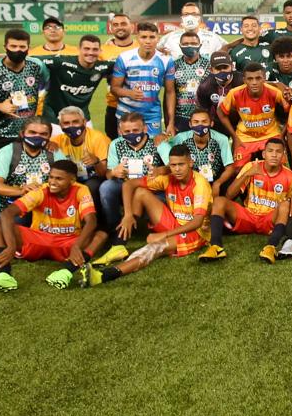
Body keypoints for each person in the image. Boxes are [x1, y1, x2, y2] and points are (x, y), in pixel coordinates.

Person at [89, 145, 211, 284]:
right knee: (140, 192)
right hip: (174, 224)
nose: (176, 169)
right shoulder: (168, 179)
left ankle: (104, 275)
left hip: (195, 232)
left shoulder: (200, 184)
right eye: (173, 165)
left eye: (181, 164)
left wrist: (164, 235)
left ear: (190, 163)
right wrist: (128, 214)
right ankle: (119, 245)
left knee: (155, 247)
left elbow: (197, 222)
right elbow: (129, 185)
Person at [0, 28, 49, 237]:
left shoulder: (36, 66)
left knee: (34, 173)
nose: (17, 50)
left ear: (28, 48)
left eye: (22, 47)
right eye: (13, 46)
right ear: (5, 46)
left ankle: (32, 211)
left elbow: (46, 82)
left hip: (28, 133)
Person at [0, 160, 106, 292]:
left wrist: (76, 246)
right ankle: (4, 275)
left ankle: (66, 272)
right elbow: (7, 214)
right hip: (37, 241)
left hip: (67, 243)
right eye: (51, 177)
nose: (52, 182)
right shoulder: (41, 190)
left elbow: (91, 220)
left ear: (72, 180)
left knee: (101, 235)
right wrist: (11, 247)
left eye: (59, 179)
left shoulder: (81, 190)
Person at [199, 137, 292, 263]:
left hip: (268, 219)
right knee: (219, 201)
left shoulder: (291, 177)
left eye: (278, 152)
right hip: (248, 216)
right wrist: (247, 174)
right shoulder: (251, 167)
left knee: (285, 204)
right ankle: (216, 247)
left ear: (283, 155)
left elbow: (288, 208)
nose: (274, 155)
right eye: (270, 151)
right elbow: (229, 195)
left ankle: (271, 247)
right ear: (263, 154)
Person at [94, 112, 164, 257]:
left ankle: (146, 225)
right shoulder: (116, 144)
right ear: (120, 132)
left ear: (145, 128)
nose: (131, 134)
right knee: (106, 187)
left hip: (151, 188)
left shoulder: (156, 142)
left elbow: (172, 167)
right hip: (124, 186)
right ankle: (115, 228)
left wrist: (158, 171)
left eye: (135, 130)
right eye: (127, 131)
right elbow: (107, 174)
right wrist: (114, 172)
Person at [0, 116, 67, 229]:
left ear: (49, 137)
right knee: (15, 232)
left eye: (43, 134)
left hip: (47, 207)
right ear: (22, 133)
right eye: (32, 132)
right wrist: (21, 190)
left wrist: (43, 191)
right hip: (15, 208)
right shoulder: (8, 152)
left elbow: (67, 181)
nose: (37, 136)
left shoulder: (54, 152)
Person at [219, 62, 291, 167]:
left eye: (258, 78)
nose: (254, 82)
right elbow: (220, 113)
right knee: (238, 169)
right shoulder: (235, 94)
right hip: (244, 136)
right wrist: (234, 137)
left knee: (278, 166)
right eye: (250, 79)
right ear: (244, 80)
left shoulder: (275, 92)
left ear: (264, 78)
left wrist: (281, 135)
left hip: (270, 134)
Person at [109, 21, 174, 137]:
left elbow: (170, 92)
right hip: (126, 115)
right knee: (127, 152)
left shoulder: (166, 60)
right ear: (137, 38)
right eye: (144, 37)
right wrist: (129, 93)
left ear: (158, 39)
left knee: (153, 152)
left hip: (152, 116)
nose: (148, 41)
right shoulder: (125, 58)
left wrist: (171, 121)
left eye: (152, 37)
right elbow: (114, 88)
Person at [160, 108, 236, 196]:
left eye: (204, 122)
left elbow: (229, 168)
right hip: (191, 182)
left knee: (230, 184)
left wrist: (217, 183)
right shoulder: (181, 138)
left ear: (211, 123)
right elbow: (163, 146)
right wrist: (160, 138)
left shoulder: (221, 139)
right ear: (190, 124)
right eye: (196, 122)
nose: (200, 125)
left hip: (214, 180)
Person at [49, 106, 111, 212]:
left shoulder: (98, 139)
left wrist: (96, 161)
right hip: (70, 178)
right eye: (66, 123)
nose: (71, 126)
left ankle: (95, 219)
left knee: (90, 187)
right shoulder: (56, 141)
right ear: (60, 125)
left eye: (75, 122)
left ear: (84, 122)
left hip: (93, 178)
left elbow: (104, 173)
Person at [41, 34, 111, 126]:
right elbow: (31, 61)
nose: (90, 52)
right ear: (78, 49)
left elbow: (125, 65)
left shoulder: (103, 67)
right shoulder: (61, 62)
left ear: (100, 51)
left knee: (91, 140)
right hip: (55, 119)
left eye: (95, 49)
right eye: (86, 48)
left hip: (82, 118)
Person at [169, 29, 211, 132]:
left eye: (193, 43)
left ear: (200, 45)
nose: (189, 46)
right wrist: (169, 122)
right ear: (180, 46)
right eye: (186, 44)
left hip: (203, 117)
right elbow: (169, 94)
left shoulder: (208, 65)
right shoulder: (173, 65)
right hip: (180, 117)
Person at [158, 1, 227, 59]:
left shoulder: (213, 37)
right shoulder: (169, 38)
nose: (190, 17)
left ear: (199, 18)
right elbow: (155, 50)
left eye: (194, 14)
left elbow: (227, 48)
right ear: (182, 18)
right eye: (186, 14)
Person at [196, 51, 242, 132]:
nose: (222, 71)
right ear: (211, 70)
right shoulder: (205, 86)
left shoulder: (243, 82)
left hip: (241, 122)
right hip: (217, 124)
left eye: (225, 67)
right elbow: (202, 110)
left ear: (232, 66)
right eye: (218, 68)